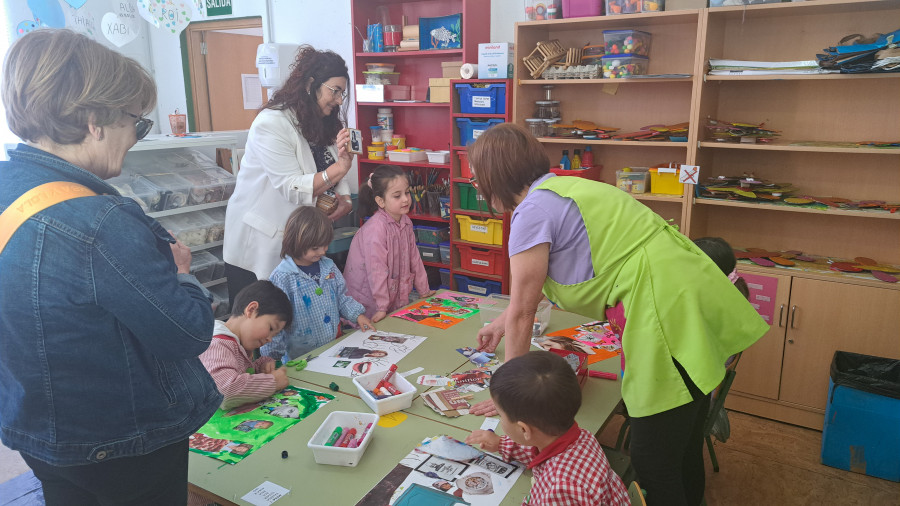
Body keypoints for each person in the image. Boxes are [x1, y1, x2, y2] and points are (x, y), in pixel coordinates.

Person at [466, 124, 768, 506]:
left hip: (663, 312)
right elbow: (539, 283)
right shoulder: (566, 187)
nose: (476, 185)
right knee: (683, 445)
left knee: (654, 461)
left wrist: (510, 397)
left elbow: (524, 312)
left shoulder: (531, 212)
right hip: (685, 300)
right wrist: (498, 322)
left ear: (496, 174)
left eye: (477, 176)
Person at [0, 30, 221, 505]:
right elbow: (187, 334)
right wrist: (182, 274)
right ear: (96, 120)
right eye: (136, 124)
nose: (135, 140)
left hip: (37, 427)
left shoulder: (6, 188)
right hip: (123, 441)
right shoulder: (99, 222)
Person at [223, 45, 355, 298]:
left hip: (299, 238)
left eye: (342, 93)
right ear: (310, 84)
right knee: (261, 319)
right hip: (262, 238)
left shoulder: (322, 120)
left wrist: (345, 198)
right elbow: (292, 187)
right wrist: (340, 168)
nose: (339, 100)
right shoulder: (271, 123)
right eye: (335, 91)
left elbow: (332, 162)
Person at [466, 352, 629, 506]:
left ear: (524, 430)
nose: (501, 420)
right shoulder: (581, 436)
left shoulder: (558, 491)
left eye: (501, 415)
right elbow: (540, 448)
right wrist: (501, 444)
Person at [262, 206, 374, 362]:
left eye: (325, 245)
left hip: (334, 348)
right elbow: (274, 324)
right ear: (295, 242)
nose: (322, 252)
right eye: (315, 248)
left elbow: (341, 298)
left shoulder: (329, 267)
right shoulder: (282, 278)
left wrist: (358, 315)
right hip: (300, 359)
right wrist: (270, 357)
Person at [343, 165, 434, 322]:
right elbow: (376, 271)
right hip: (369, 302)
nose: (405, 199)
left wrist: (424, 290)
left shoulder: (405, 222)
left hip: (390, 298)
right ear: (381, 201)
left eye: (407, 193)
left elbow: (415, 259)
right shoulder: (376, 230)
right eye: (397, 196)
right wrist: (382, 306)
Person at [199, 280, 293, 410]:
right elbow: (225, 392)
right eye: (271, 328)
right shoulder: (217, 344)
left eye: (274, 335)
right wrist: (273, 382)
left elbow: (239, 369)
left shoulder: (237, 343)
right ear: (251, 309)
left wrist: (262, 366)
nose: (270, 339)